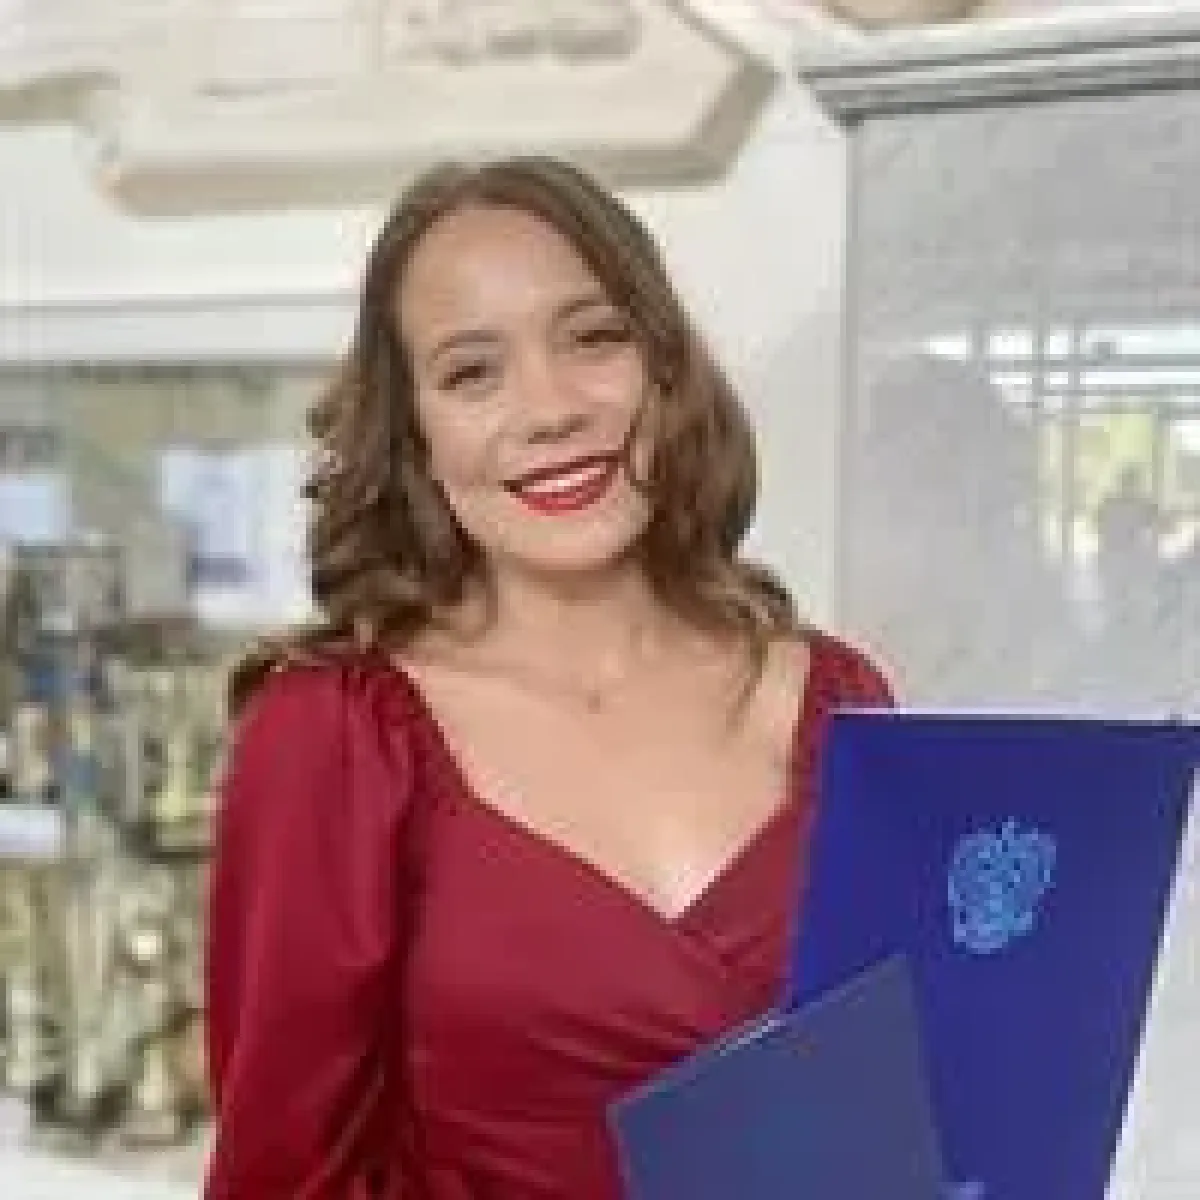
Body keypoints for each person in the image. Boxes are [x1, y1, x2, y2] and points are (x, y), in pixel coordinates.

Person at [203, 156, 892, 1200]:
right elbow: (287, 1178)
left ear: (665, 369)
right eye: (472, 372)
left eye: (594, 338)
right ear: (416, 436)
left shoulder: (841, 697)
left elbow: (924, 1098)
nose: (551, 409)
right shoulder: (335, 736)